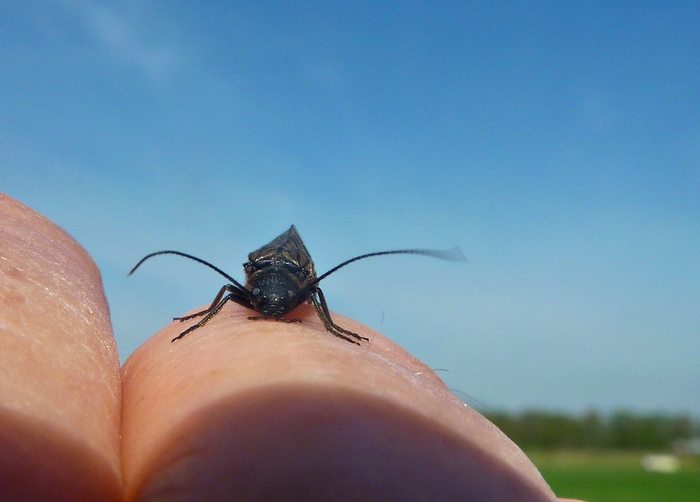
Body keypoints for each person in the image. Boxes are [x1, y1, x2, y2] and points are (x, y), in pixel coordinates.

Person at [0, 193, 584, 501]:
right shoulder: (247, 287)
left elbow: (301, 292)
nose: (277, 310)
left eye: (296, 301)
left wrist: (329, 331)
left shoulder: (303, 285)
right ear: (258, 284)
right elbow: (230, 292)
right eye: (267, 298)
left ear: (302, 288)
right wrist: (204, 321)